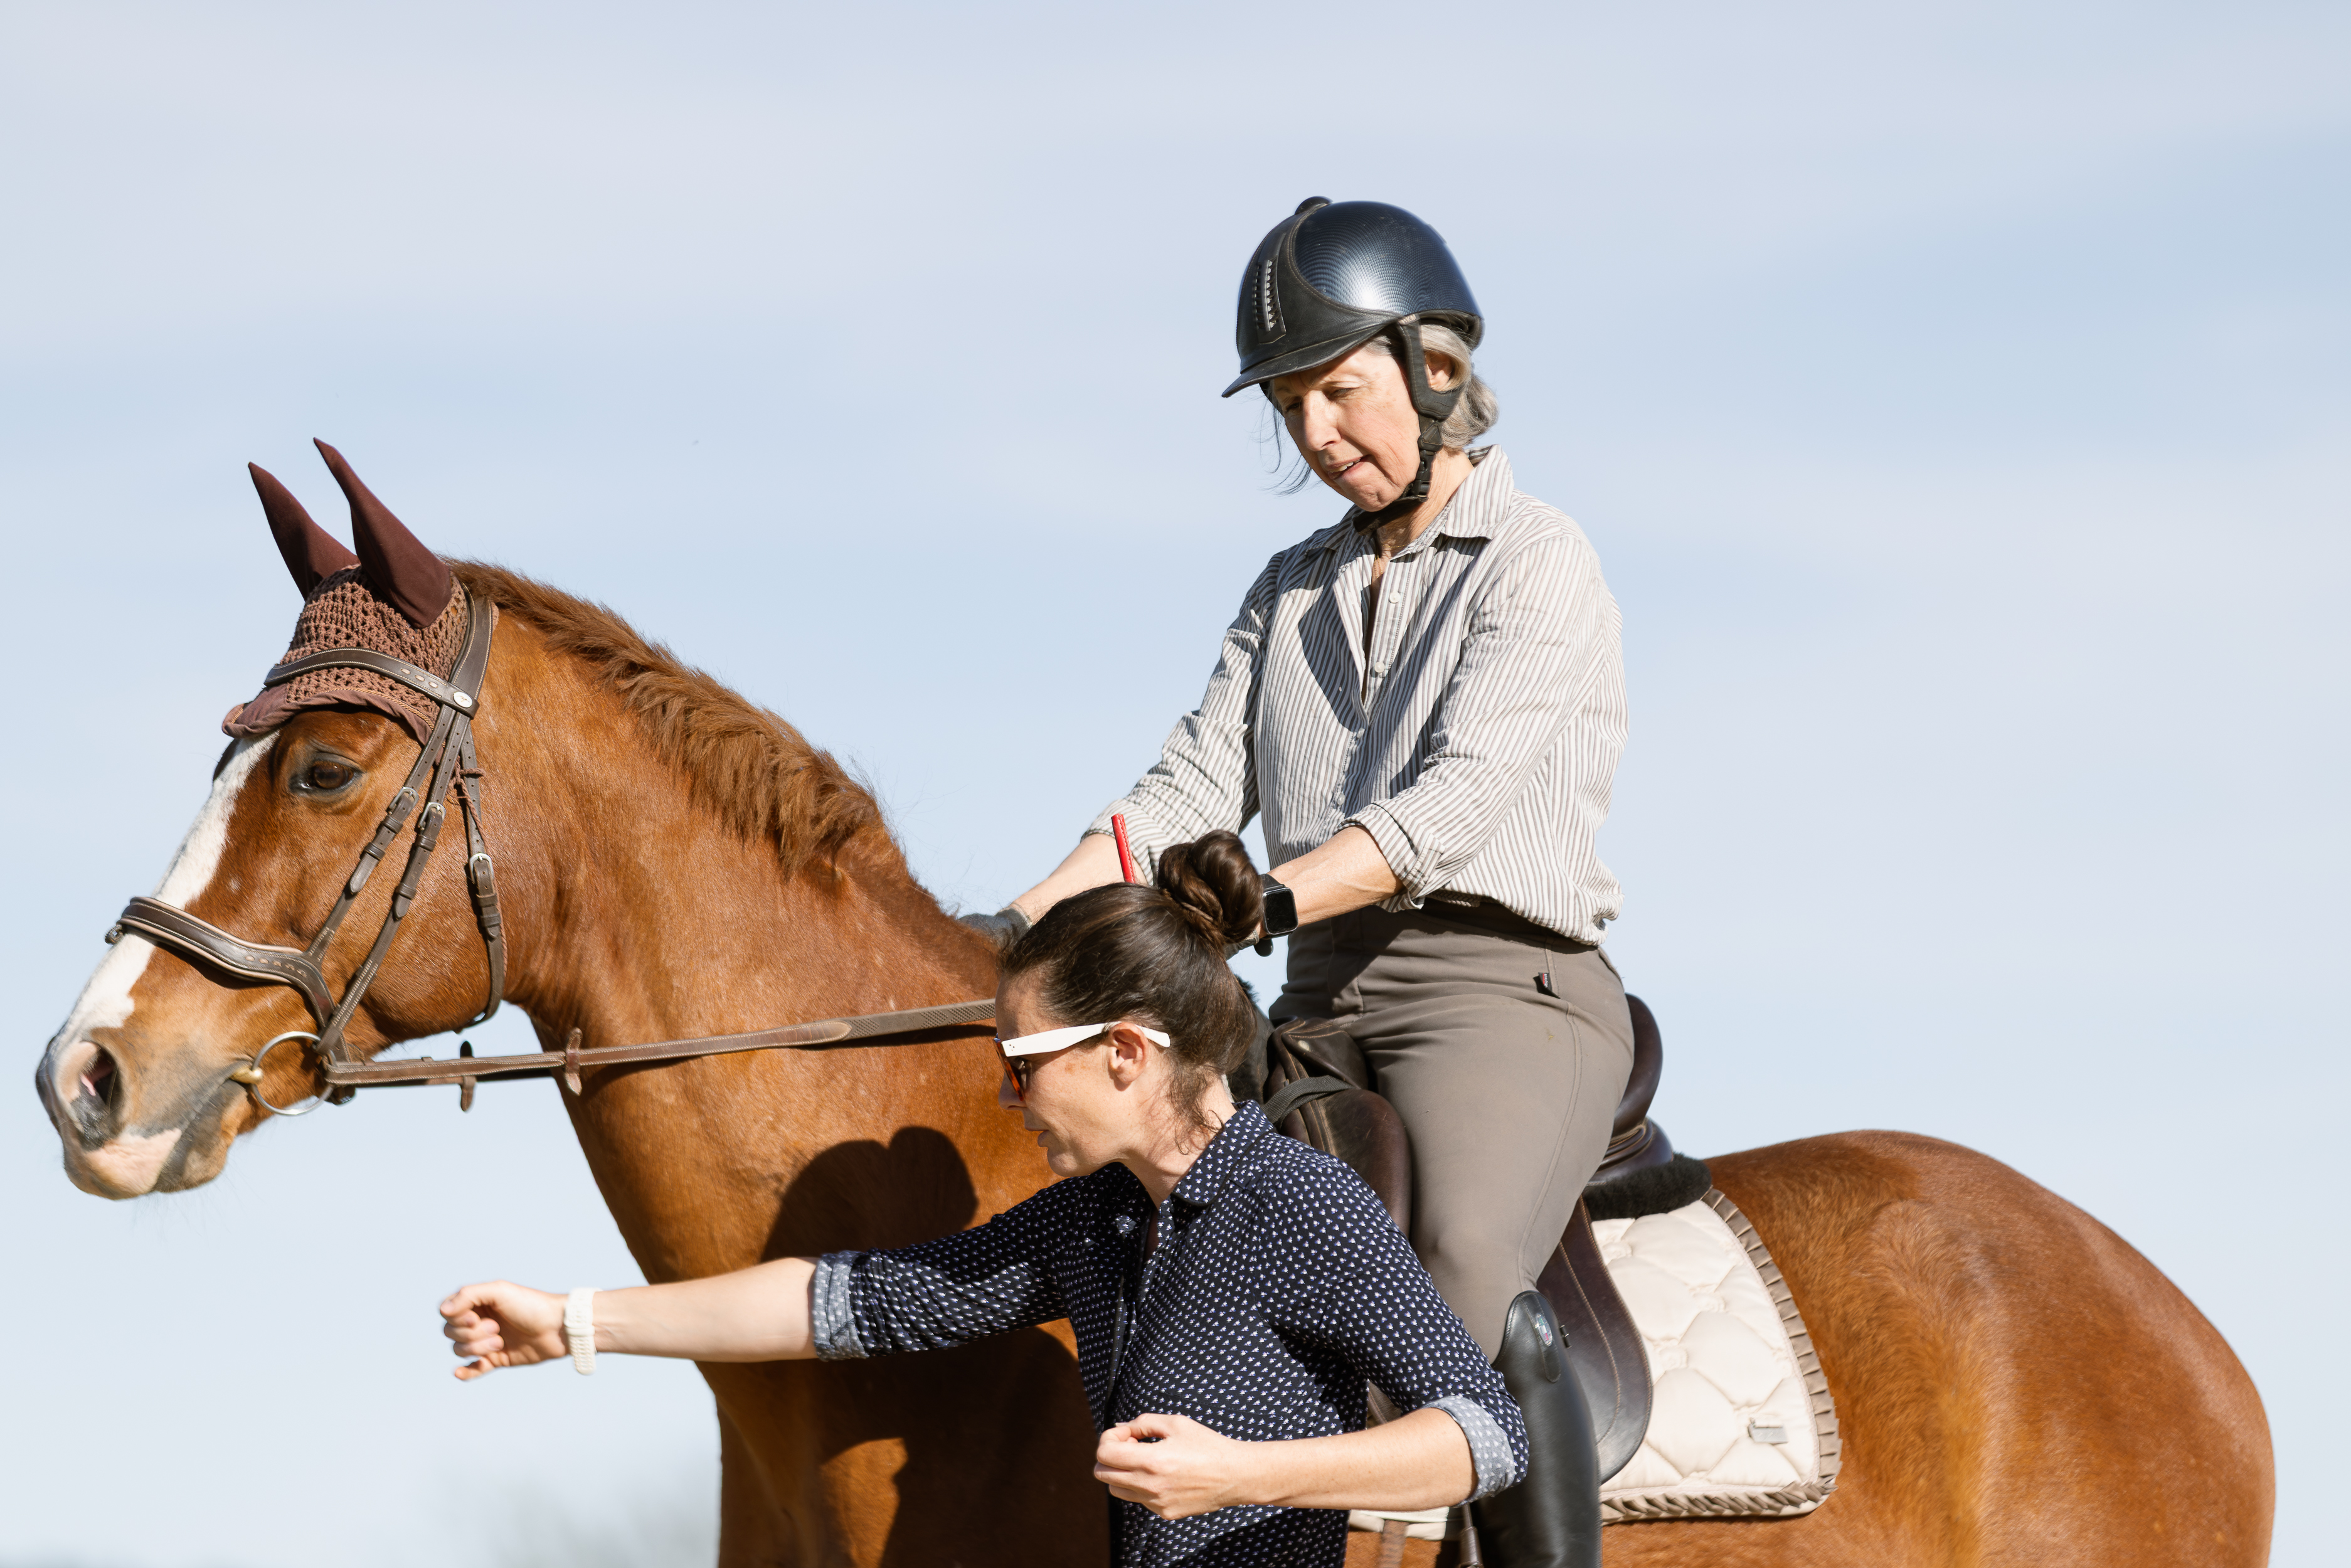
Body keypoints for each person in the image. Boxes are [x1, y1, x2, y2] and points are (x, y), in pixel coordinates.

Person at [982, 199, 1635, 1568]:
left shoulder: (1540, 560)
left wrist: (1271, 898)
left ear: (1434, 366)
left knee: (1459, 1260)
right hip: (1317, 1002)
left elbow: (1451, 804)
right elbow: (1178, 795)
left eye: (1338, 390)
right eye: (1291, 407)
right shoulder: (1284, 591)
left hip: (1499, 990)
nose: (1318, 434)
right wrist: (1013, 925)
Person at [441, 832, 1527, 1568]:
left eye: (1021, 1061)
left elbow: (1486, 1437)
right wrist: (577, 1320)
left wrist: (1242, 1474)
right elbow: (844, 1303)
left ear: (1122, 1053)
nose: (1004, 1093)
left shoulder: (1300, 1202)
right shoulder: (1091, 1221)